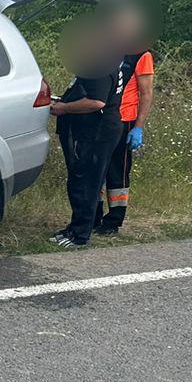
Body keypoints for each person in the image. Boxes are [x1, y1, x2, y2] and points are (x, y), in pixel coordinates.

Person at [50, 17, 124, 248]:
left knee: (86, 181)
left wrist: (64, 108)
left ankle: (80, 234)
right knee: (83, 179)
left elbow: (96, 102)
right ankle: (81, 225)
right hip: (93, 129)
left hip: (96, 132)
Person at [94, 35, 155, 235]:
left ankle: (113, 221)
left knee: (117, 172)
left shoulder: (141, 55)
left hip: (125, 120)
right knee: (96, 170)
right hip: (101, 118)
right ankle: (93, 216)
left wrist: (139, 126)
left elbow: (146, 93)